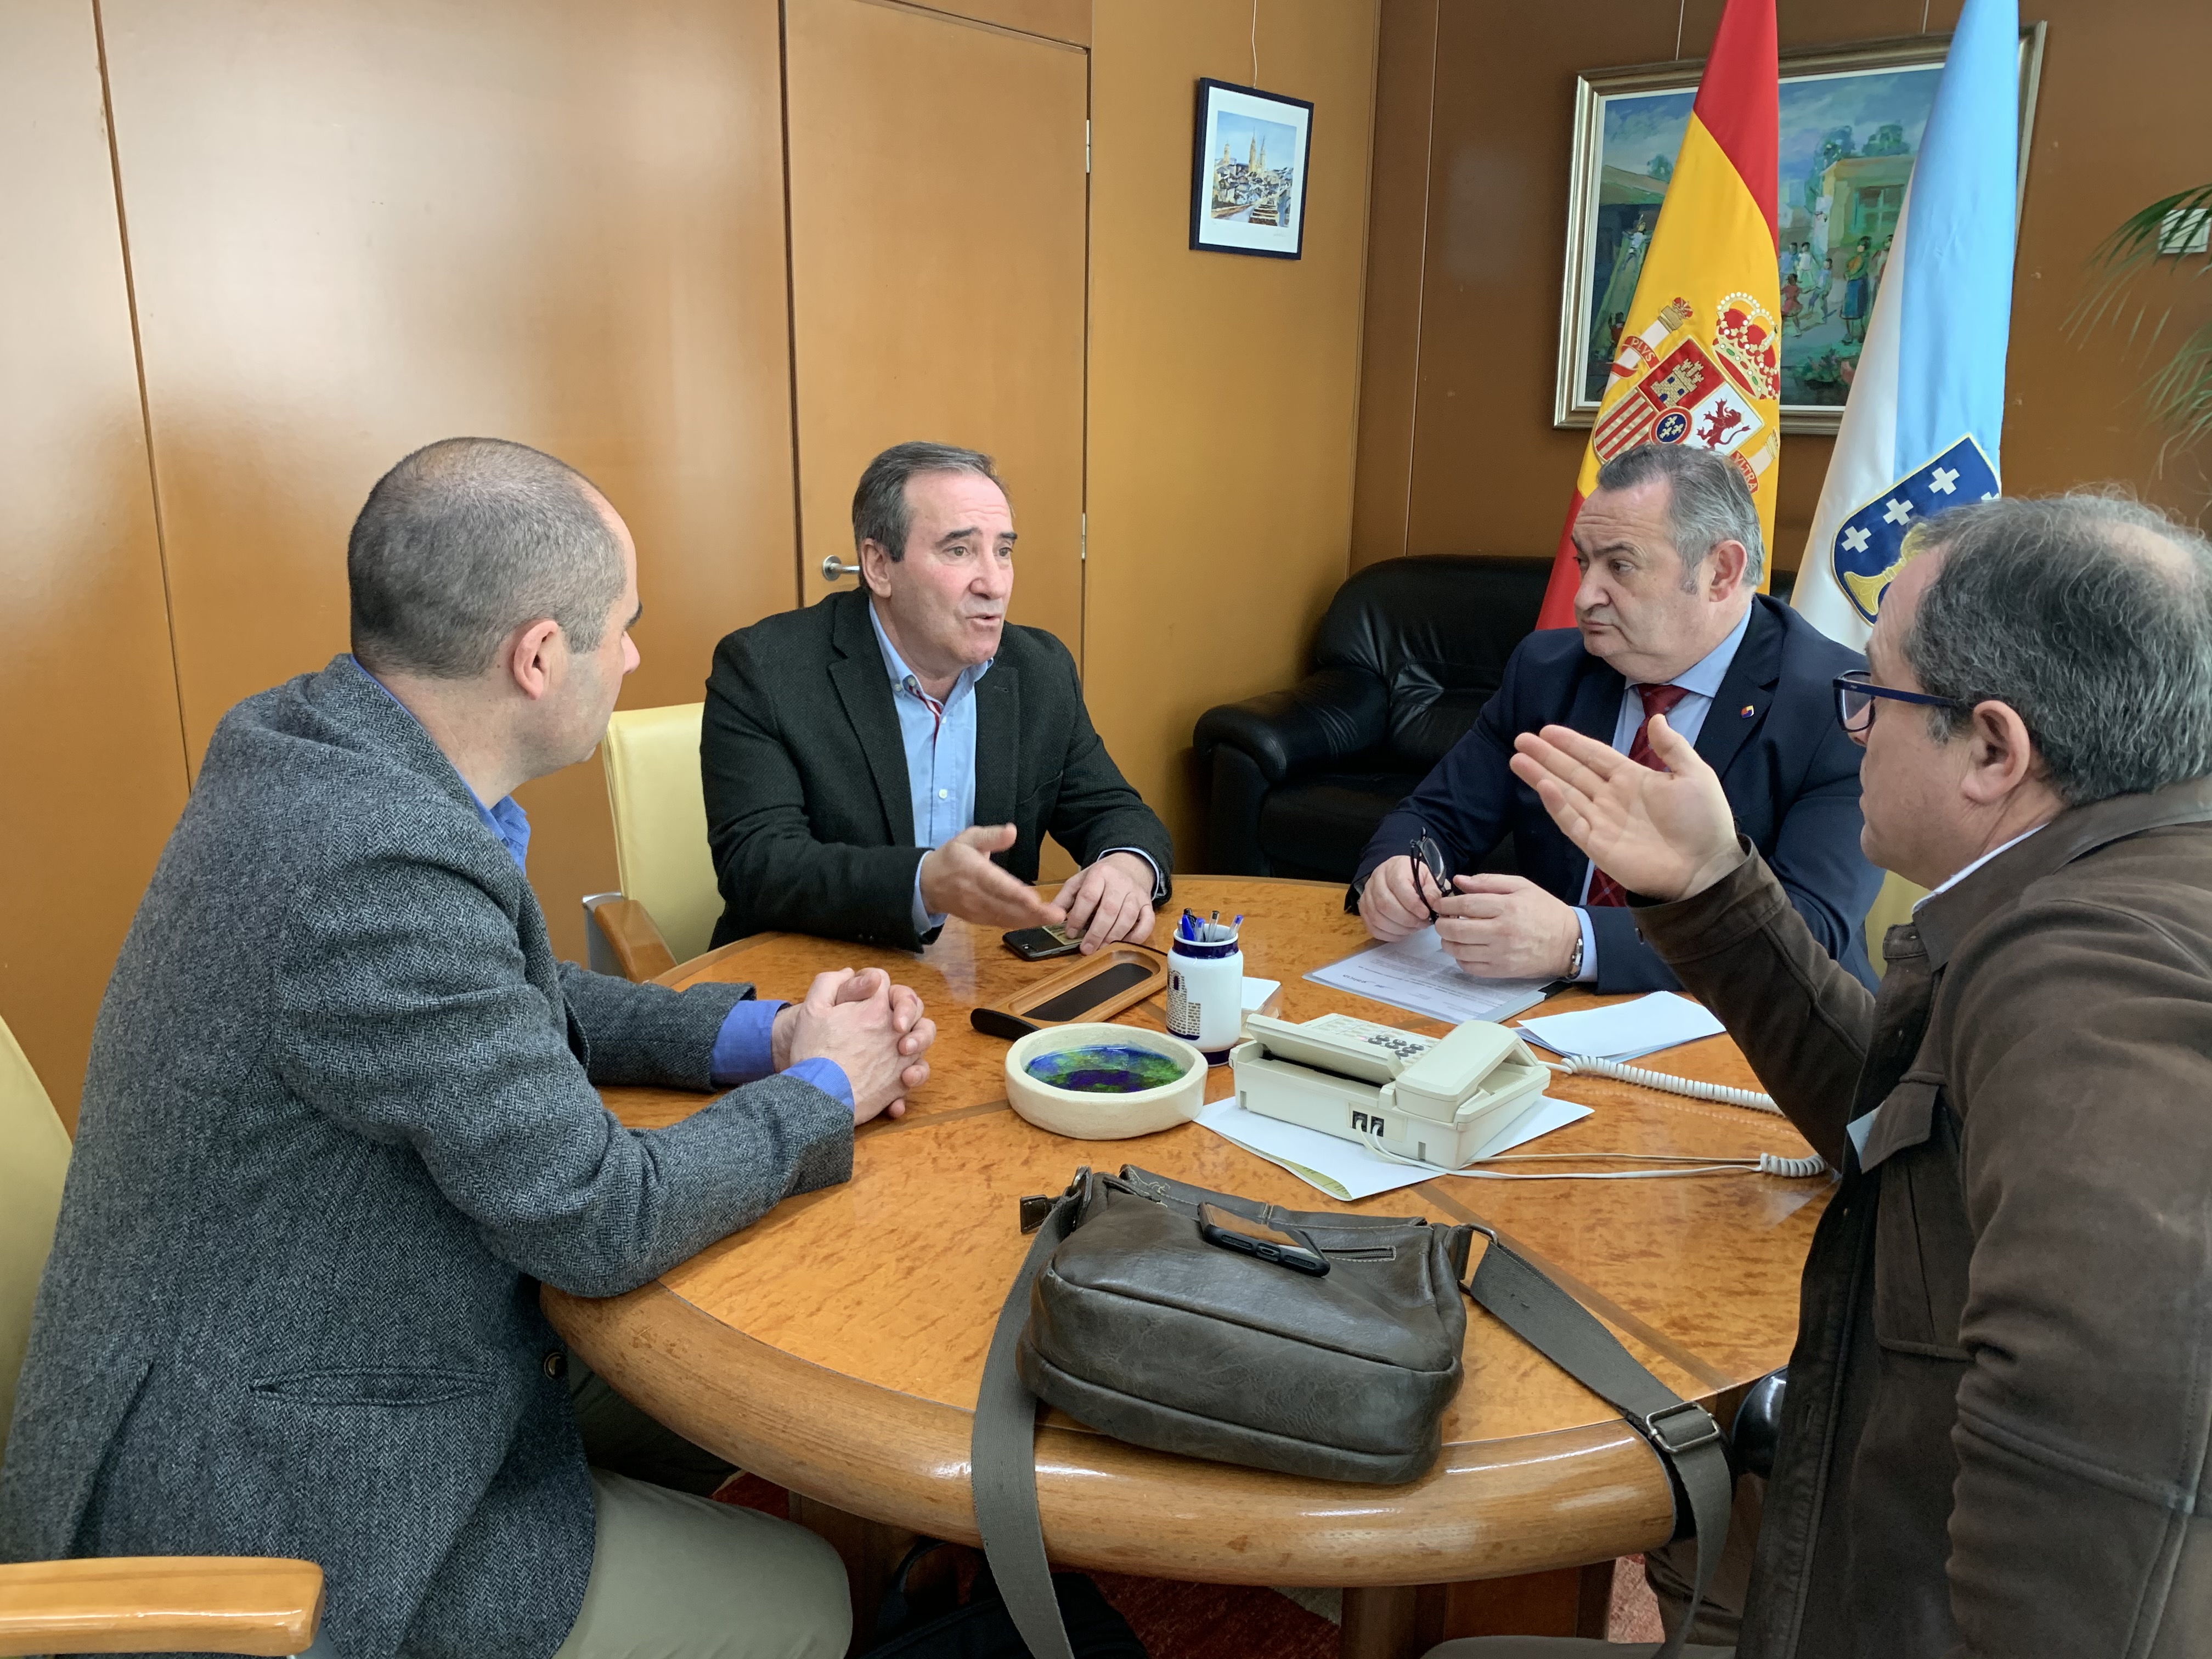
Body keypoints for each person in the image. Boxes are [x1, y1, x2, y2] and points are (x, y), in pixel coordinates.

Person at [0, 438, 940, 1659]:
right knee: (803, 1587)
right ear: (539, 657)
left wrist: (764, 1035)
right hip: (272, 1494)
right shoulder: (375, 865)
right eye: (625, 628)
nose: (635, 657)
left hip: (275, 1346)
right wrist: (827, 1088)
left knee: (744, 1401)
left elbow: (503, 994)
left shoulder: (310, 745)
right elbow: (599, 1215)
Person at [1452, 492, 2212, 1659]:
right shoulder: (2115, 885)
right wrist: (1712, 885)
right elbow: (1897, 1117)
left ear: (1994, 749)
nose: (1851, 725)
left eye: (1876, 692)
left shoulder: (2090, 982)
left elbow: (2100, 1468)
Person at [1352, 443, 1881, 993]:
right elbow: (1436, 817)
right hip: (1548, 1010)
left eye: (1620, 566)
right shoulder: (1549, 671)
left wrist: (1579, 941)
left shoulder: (1837, 705)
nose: (1584, 597)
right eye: (1584, 562)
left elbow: (1808, 930)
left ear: (1720, 573)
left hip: (1759, 1021)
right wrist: (1397, 874)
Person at [703, 441, 1172, 953]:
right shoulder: (766, 669)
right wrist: (922, 883)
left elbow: (1112, 810)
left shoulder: (1039, 668)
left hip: (988, 978)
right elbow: (758, 863)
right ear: (879, 566)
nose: (994, 584)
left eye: (1004, 551)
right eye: (959, 551)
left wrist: (1128, 866)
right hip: (817, 974)